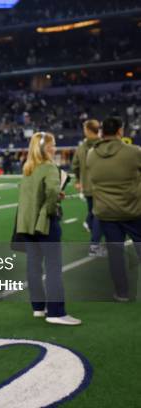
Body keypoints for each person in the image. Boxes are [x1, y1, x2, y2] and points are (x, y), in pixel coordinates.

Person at [16, 132, 81, 325]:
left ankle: (38, 307)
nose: (55, 148)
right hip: (44, 224)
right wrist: (52, 209)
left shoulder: (27, 167)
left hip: (26, 224)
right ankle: (56, 312)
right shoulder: (49, 167)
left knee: (33, 266)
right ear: (45, 148)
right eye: (52, 145)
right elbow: (52, 193)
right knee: (53, 268)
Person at [87, 116, 141, 302]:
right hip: (132, 210)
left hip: (107, 213)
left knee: (115, 255)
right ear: (120, 131)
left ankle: (122, 292)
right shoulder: (134, 151)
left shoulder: (91, 154)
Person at [71, 119, 105, 257]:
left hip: (88, 187)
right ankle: (95, 245)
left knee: (93, 213)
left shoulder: (81, 148)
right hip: (103, 187)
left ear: (89, 130)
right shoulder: (104, 145)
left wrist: (79, 180)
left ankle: (94, 240)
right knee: (99, 216)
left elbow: (75, 166)